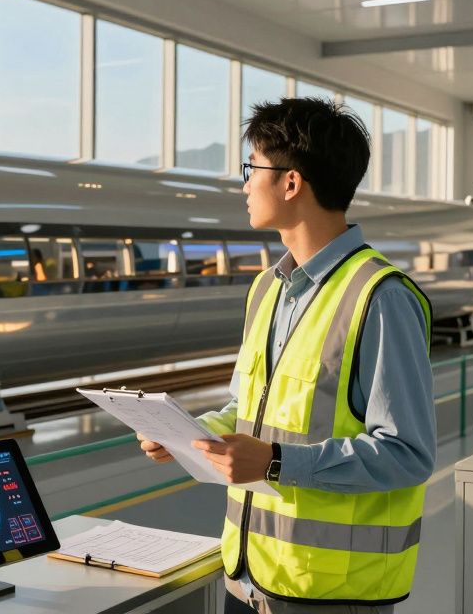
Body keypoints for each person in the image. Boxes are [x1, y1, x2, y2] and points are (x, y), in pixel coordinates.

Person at [138, 97, 435, 613]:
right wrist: (190, 434)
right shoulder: (267, 290)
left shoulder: (380, 297)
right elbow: (249, 409)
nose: (245, 185)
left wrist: (276, 462)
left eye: (251, 169)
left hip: (330, 593)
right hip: (249, 577)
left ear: (291, 182)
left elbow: (407, 453)